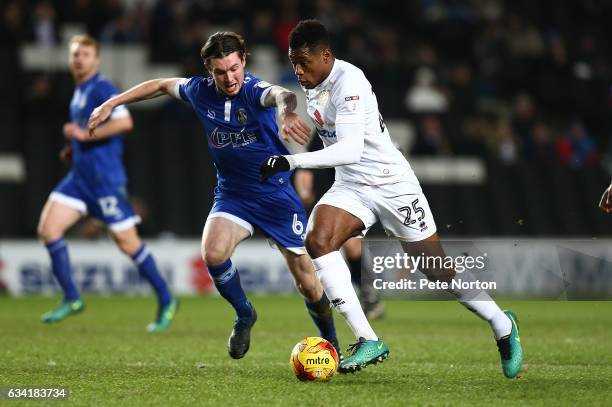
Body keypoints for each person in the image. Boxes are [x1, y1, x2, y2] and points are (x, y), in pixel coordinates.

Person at [260, 20, 523, 378]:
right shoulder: (313, 82)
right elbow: (290, 99)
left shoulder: (349, 82)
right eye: (293, 63)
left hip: (392, 185)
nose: (298, 71)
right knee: (317, 240)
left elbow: (350, 148)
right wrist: (285, 108)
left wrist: (292, 161)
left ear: (326, 55)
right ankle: (368, 339)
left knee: (436, 269)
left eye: (304, 63)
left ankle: (501, 323)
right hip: (352, 187)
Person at [88, 31, 340, 360]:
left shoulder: (252, 91)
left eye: (234, 68)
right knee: (213, 253)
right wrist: (112, 102)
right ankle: (245, 313)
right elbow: (161, 85)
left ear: (244, 61)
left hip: (275, 194)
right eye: (221, 71)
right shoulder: (199, 91)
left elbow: (280, 95)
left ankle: (331, 343)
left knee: (307, 282)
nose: (230, 77)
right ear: (209, 69)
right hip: (233, 194)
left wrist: (285, 112)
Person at [37, 34, 177, 332]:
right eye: (75, 54)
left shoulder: (101, 87)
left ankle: (167, 298)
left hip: (104, 182)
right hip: (79, 179)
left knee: (128, 244)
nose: (79, 59)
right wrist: (73, 149)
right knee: (48, 230)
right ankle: (72, 298)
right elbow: (87, 132)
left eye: (85, 54)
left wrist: (80, 135)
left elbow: (124, 122)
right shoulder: (79, 91)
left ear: (96, 60)